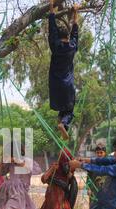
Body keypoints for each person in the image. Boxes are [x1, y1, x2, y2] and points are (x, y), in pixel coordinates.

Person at [48, 0, 80, 140]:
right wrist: (75, 11)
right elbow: (75, 29)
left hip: (55, 85)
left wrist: (51, 10)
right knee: (69, 110)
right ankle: (63, 124)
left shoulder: (55, 46)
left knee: (64, 108)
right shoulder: (72, 46)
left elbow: (52, 29)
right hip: (67, 85)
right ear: (67, 36)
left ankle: (62, 124)